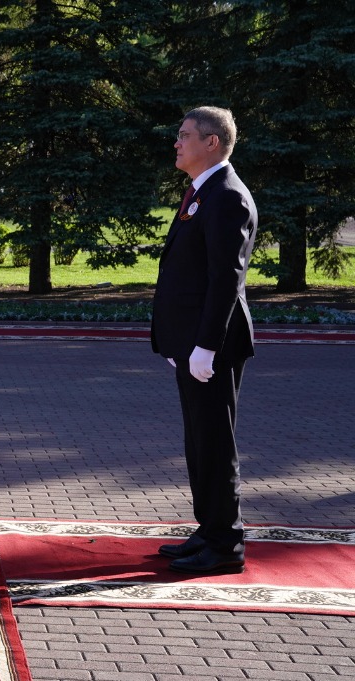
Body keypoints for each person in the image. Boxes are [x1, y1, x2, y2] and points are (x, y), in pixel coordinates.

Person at [151, 106, 258, 575]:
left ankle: (225, 544)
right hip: (192, 343)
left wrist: (206, 347)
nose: (177, 142)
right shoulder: (202, 191)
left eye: (185, 135)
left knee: (215, 443)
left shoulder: (227, 196)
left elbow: (225, 279)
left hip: (211, 347)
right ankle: (208, 529)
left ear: (211, 142)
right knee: (199, 441)